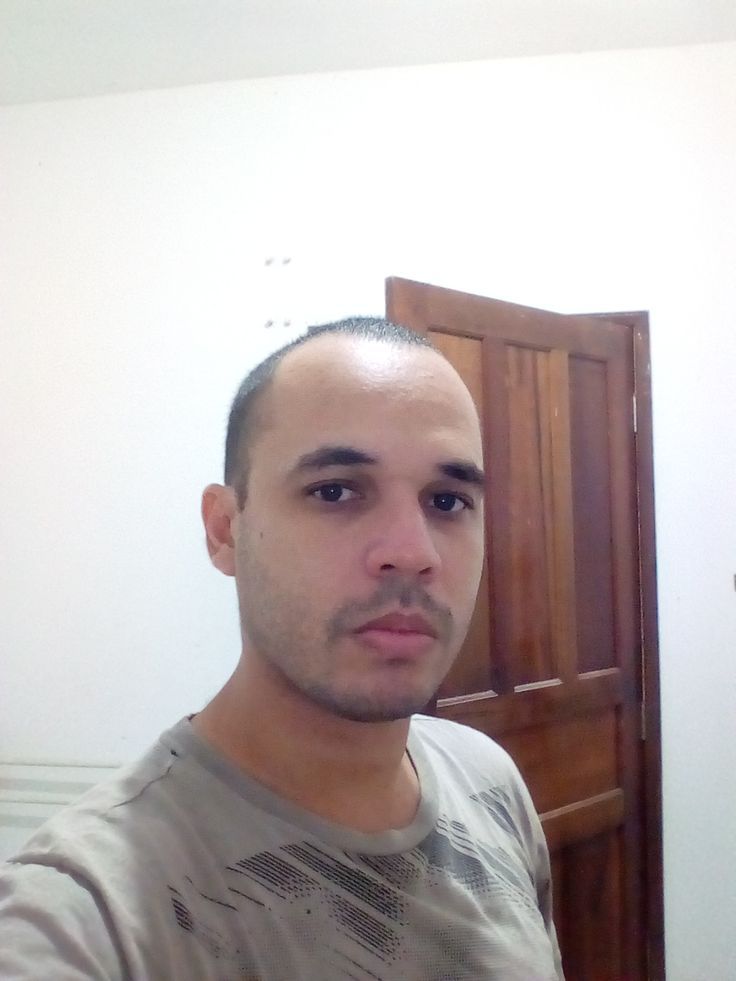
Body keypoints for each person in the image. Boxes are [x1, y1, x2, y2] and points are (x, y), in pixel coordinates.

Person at [0, 318, 563, 980]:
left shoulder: (489, 782)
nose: (413, 552)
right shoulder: (84, 918)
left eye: (447, 500)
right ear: (225, 530)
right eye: (335, 491)